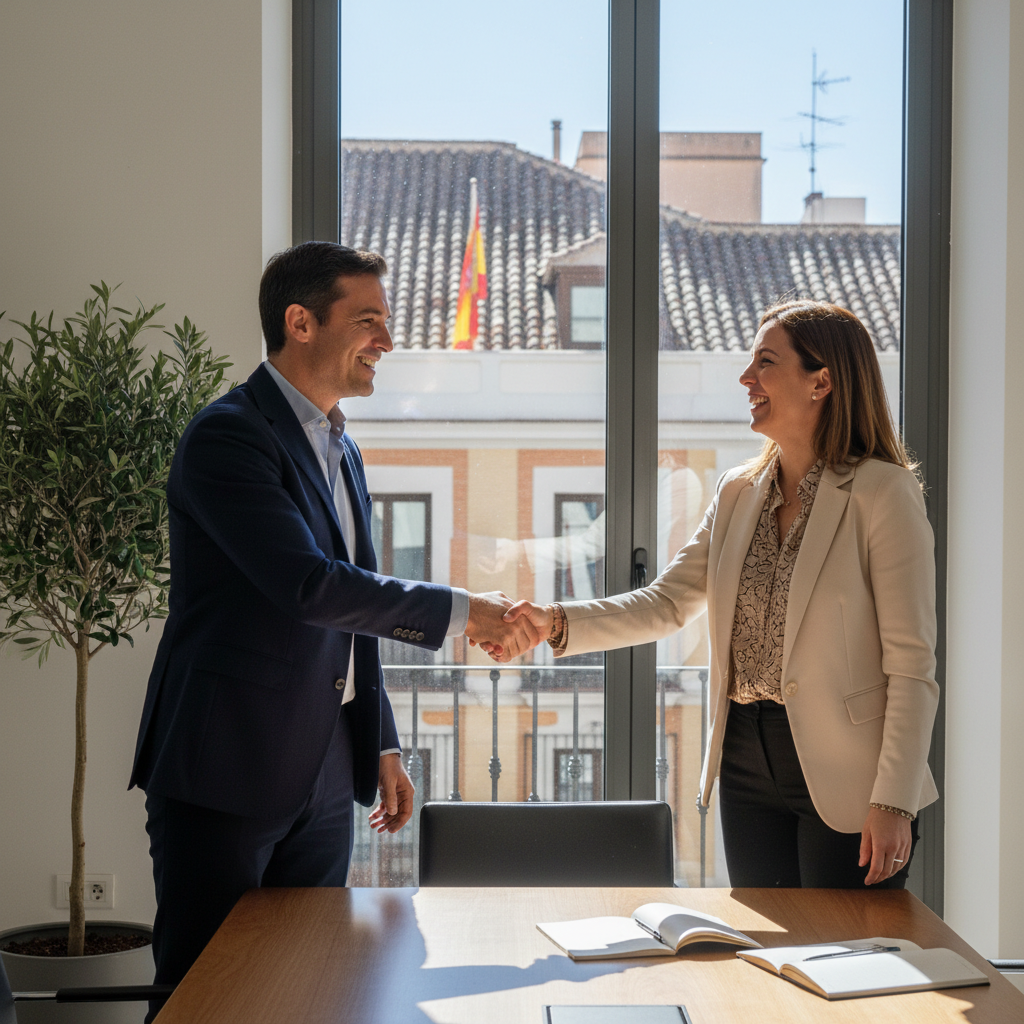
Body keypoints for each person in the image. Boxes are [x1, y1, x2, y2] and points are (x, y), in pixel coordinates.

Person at [129, 242, 536, 1016]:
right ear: (300, 322)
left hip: (320, 776)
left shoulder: (340, 442)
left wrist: (377, 739)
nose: (387, 340)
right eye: (370, 320)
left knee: (306, 987)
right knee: (204, 996)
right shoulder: (228, 437)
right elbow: (310, 587)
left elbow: (350, 622)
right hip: (226, 771)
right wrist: (463, 610)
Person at [501, 301, 939, 889]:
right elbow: (666, 603)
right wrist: (553, 621)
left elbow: (912, 667)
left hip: (850, 773)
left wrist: (895, 800)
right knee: (767, 953)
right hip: (744, 758)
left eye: (765, 362)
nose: (745, 379)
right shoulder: (737, 492)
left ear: (822, 381)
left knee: (841, 955)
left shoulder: (884, 492)